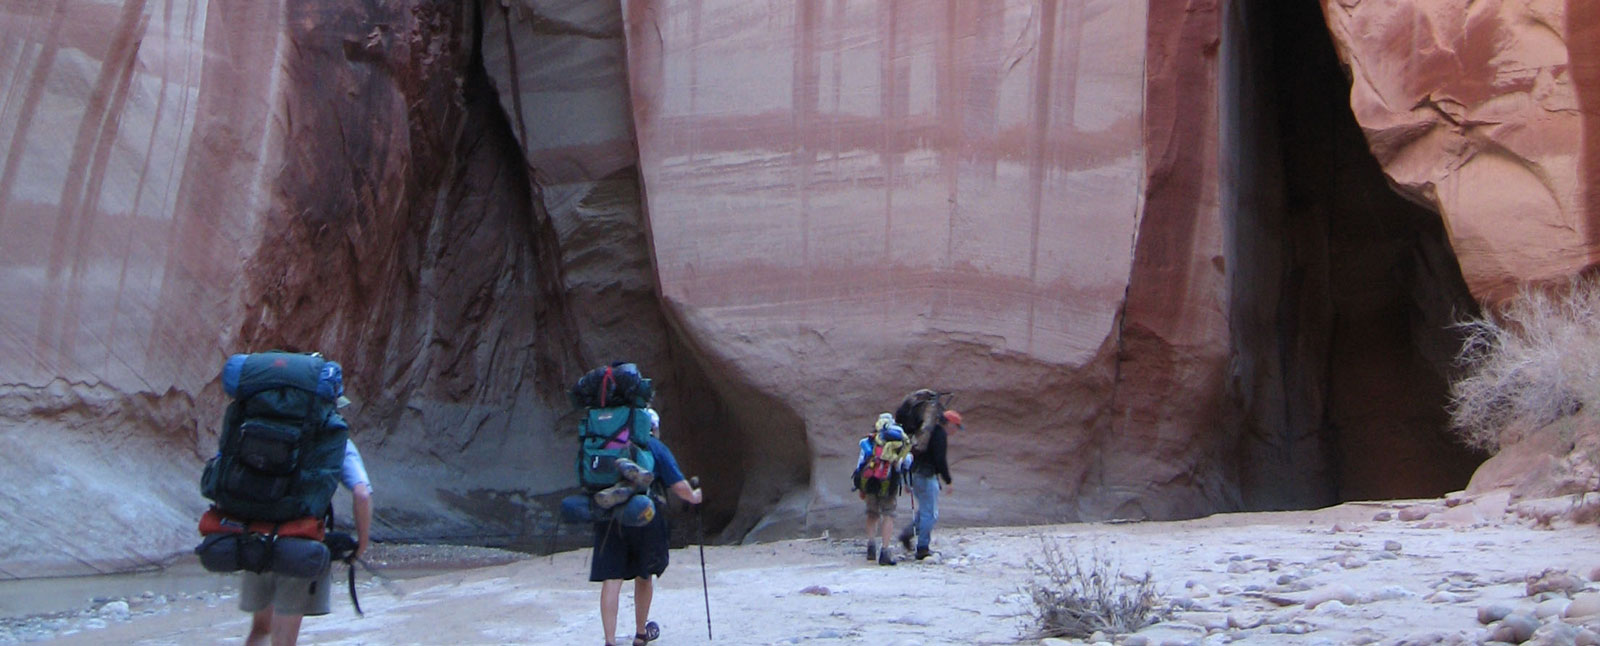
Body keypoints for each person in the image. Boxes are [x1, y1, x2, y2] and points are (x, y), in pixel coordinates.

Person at [243, 431, 373, 646]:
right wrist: (361, 545)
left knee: (260, 630)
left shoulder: (264, 424)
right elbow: (362, 494)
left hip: (257, 537)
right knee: (284, 640)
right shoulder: (333, 436)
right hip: (301, 543)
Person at [594, 407, 702, 646]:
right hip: (645, 517)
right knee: (644, 575)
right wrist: (694, 497)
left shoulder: (610, 443)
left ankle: (610, 641)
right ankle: (641, 633)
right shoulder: (654, 447)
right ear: (652, 427)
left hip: (610, 517)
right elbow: (678, 485)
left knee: (612, 578)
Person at [899, 409, 959, 560]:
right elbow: (940, 460)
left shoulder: (927, 432)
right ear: (950, 424)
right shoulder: (939, 435)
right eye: (956, 426)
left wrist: (907, 479)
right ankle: (922, 548)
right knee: (930, 514)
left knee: (924, 512)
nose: (956, 430)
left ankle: (907, 534)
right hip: (926, 477)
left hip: (916, 475)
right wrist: (948, 480)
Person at [857, 413, 913, 566]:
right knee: (888, 514)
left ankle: (870, 546)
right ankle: (885, 551)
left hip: (871, 482)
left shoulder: (869, 441)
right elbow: (906, 462)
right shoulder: (898, 441)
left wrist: (860, 486)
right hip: (889, 482)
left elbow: (861, 464)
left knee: (872, 513)